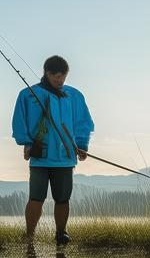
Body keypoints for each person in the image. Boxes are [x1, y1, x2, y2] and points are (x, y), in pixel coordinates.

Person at [11, 55, 94, 245]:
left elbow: (83, 122)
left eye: (63, 76)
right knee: (36, 197)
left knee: (63, 199)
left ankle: (61, 233)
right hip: (40, 156)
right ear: (46, 73)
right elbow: (19, 121)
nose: (60, 80)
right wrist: (27, 143)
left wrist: (82, 145)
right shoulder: (28, 94)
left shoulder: (74, 96)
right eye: (56, 76)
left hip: (65, 157)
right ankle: (29, 236)